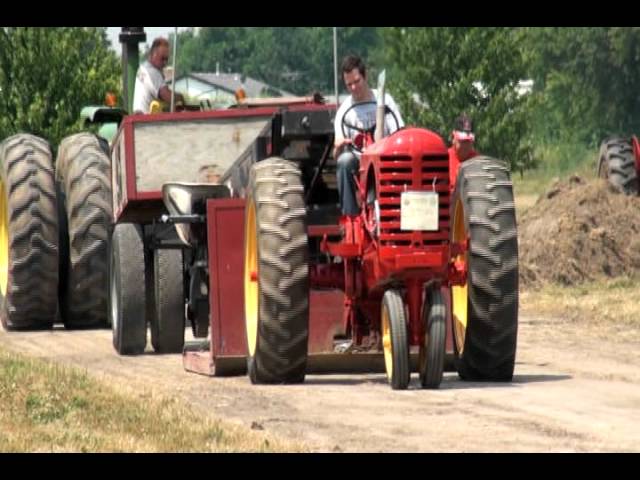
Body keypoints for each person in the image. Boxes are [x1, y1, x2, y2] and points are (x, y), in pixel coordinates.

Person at [333, 54, 404, 216]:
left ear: (365, 77)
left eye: (356, 82)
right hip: (359, 163)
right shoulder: (344, 112)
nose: (353, 88)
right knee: (344, 161)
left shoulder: (385, 101)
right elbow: (336, 155)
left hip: (386, 159)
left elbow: (399, 132)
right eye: (348, 84)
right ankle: (351, 217)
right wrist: (338, 147)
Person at [132, 37, 184, 114]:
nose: (165, 62)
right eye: (162, 58)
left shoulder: (143, 68)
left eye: (166, 59)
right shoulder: (152, 72)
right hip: (147, 120)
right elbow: (167, 96)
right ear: (154, 54)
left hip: (140, 117)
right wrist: (180, 97)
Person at [448, 113, 478, 188]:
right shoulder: (443, 159)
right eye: (463, 141)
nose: (466, 145)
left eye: (468, 141)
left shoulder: (478, 161)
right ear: (453, 138)